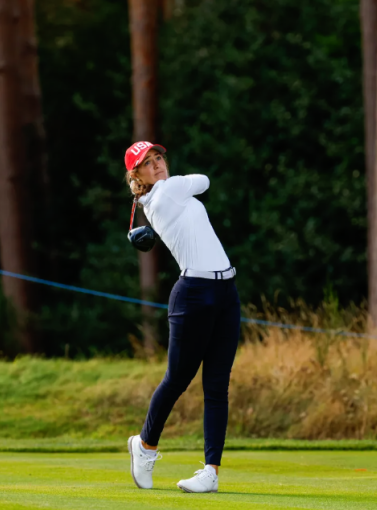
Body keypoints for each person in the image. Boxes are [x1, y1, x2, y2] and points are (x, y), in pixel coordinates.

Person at [124, 141, 240, 494]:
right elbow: (203, 180)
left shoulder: (166, 196)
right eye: (148, 163)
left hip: (225, 291)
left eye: (159, 158)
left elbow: (196, 186)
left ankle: (210, 472)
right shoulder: (168, 192)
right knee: (178, 379)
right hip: (193, 294)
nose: (157, 164)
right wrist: (183, 183)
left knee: (217, 386)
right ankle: (145, 444)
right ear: (138, 175)